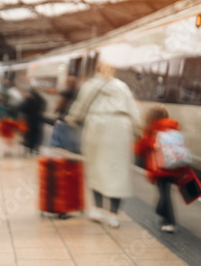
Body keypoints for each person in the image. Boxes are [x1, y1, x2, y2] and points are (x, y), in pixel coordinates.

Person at [65, 61, 141, 228]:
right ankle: (113, 215)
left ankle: (98, 209)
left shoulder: (90, 85)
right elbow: (134, 111)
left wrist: (72, 119)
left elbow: (80, 106)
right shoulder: (121, 86)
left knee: (96, 167)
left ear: (96, 70)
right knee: (118, 170)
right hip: (120, 126)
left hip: (96, 125)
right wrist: (138, 130)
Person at [135, 104, 192, 233]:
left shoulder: (152, 132)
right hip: (175, 168)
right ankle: (161, 211)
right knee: (164, 192)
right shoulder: (174, 129)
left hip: (161, 170)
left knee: (165, 194)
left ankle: (170, 222)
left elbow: (139, 150)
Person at [20, 88, 46, 154]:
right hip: (39, 119)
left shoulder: (29, 99)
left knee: (29, 134)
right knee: (37, 134)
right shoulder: (41, 100)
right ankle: (36, 148)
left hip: (30, 119)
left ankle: (29, 148)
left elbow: (22, 108)